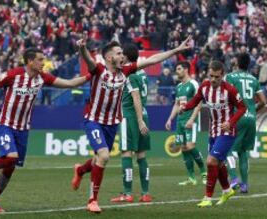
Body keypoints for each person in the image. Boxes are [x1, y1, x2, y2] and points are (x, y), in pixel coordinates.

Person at [71, 36, 192, 213]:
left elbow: (152, 60)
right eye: (119, 53)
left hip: (111, 123)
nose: (123, 56)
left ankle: (81, 170)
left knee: (100, 158)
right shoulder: (98, 70)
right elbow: (88, 59)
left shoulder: (126, 71)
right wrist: (82, 49)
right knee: (104, 156)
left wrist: (175, 51)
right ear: (110, 58)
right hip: (93, 120)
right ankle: (92, 201)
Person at [0, 47, 92, 213]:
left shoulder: (42, 78)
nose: (43, 63)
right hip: (5, 124)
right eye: (40, 59)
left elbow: (69, 83)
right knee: (11, 158)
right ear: (30, 61)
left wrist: (91, 74)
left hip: (23, 129)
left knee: (11, 167)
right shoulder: (13, 75)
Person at [180, 60, 247, 207]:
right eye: (211, 76)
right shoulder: (204, 87)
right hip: (213, 131)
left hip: (227, 132)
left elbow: (242, 108)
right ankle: (227, 190)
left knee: (210, 161)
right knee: (219, 163)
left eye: (217, 77)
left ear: (222, 75)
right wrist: (185, 107)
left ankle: (207, 198)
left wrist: (230, 122)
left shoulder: (230, 90)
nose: (213, 79)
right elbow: (195, 100)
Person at [110, 43, 152, 203]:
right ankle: (145, 193)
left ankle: (127, 193)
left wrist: (139, 121)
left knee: (126, 152)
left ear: (125, 57)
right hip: (144, 114)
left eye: (121, 54)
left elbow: (135, 97)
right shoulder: (142, 73)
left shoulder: (129, 74)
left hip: (130, 116)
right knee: (141, 154)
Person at [224, 53, 267, 193]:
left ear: (237, 61)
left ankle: (234, 178)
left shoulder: (230, 77)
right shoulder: (254, 79)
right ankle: (245, 185)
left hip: (237, 116)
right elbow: (263, 101)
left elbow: (225, 96)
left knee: (226, 148)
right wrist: (252, 111)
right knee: (243, 152)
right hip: (250, 118)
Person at [165, 61, 207, 186]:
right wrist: (170, 119)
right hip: (180, 121)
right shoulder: (179, 87)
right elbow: (177, 104)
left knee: (190, 146)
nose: (176, 71)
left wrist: (192, 119)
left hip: (190, 120)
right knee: (183, 148)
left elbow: (199, 102)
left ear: (186, 70)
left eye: (179, 69)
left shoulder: (193, 84)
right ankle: (191, 177)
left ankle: (204, 172)